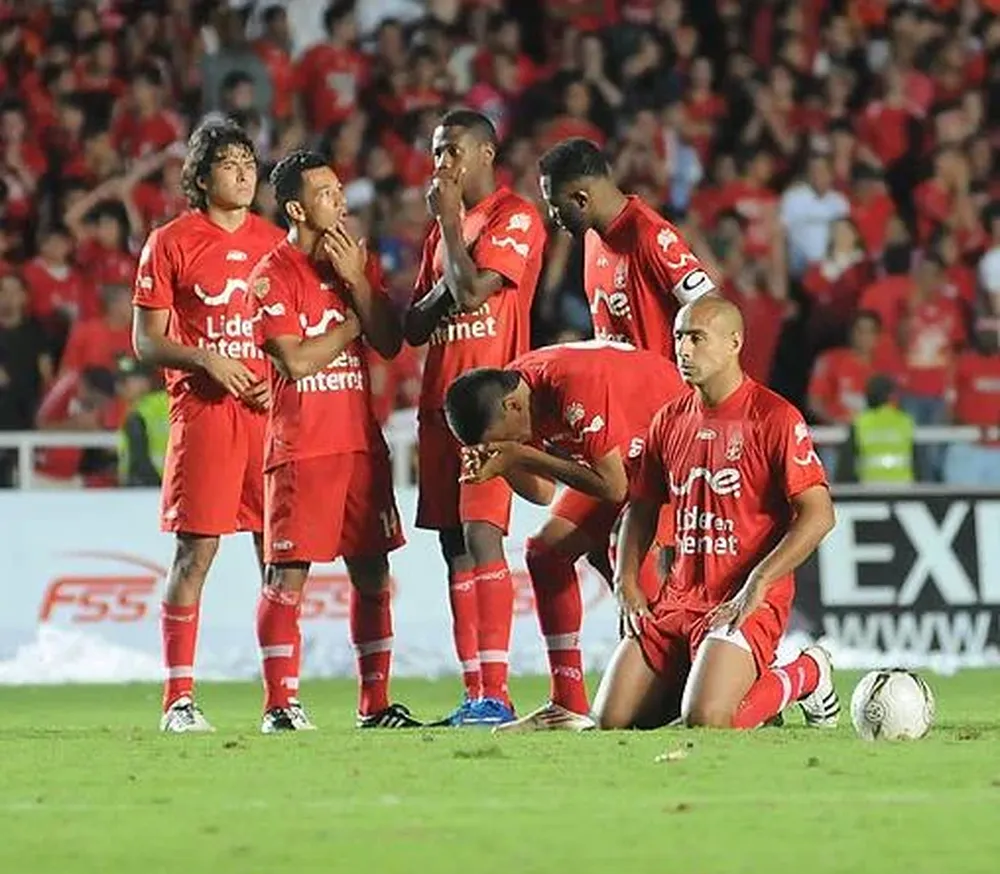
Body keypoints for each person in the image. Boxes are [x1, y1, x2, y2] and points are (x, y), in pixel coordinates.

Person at [593, 296, 841, 731]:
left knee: (708, 720)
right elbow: (643, 506)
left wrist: (759, 581)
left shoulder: (774, 417)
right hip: (676, 601)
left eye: (697, 338)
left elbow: (819, 515)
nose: (683, 350)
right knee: (611, 721)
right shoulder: (668, 420)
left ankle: (806, 673)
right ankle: (722, 684)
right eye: (679, 338)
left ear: (734, 343)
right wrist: (625, 579)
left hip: (743, 600)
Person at [249, 150, 418, 731]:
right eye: (325, 194)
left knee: (373, 576)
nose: (340, 201)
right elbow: (296, 362)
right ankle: (280, 706)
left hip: (360, 447)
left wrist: (358, 283)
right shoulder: (272, 274)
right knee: (286, 578)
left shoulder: (355, 262)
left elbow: (390, 342)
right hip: (303, 449)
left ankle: (375, 705)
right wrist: (350, 324)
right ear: (297, 209)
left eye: (340, 190)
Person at [131, 119, 286, 733]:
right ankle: (179, 700)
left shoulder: (276, 242)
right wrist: (207, 359)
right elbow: (146, 341)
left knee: (278, 555)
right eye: (229, 163)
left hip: (267, 418)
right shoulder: (170, 242)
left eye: (249, 162)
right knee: (196, 552)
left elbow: (292, 329)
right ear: (200, 177)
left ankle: (282, 701)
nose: (244, 173)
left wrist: (278, 375)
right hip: (203, 416)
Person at [445, 340, 687, 731]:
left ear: (512, 407)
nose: (508, 445)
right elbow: (542, 491)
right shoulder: (517, 394)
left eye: (501, 439)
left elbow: (613, 488)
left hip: (677, 451)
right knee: (545, 553)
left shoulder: (571, 385)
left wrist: (520, 455)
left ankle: (679, 685)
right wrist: (502, 464)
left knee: (627, 558)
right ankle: (567, 703)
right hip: (628, 461)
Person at [404, 109, 546, 726]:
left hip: (489, 409)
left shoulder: (515, 216)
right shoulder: (443, 235)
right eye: (437, 152)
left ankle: (498, 692)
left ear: (487, 152)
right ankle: (476, 693)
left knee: (482, 535)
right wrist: (446, 255)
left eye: (453, 151)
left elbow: (468, 293)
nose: (442, 164)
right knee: (452, 547)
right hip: (440, 406)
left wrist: (447, 225)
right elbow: (414, 325)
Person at [538, 137, 716, 357]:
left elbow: (710, 310)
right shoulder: (592, 238)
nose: (552, 215)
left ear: (581, 199)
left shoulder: (650, 235)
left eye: (556, 206)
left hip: (657, 379)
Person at [839, 374, 915, 484]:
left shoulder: (860, 423)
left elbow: (846, 465)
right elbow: (919, 462)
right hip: (903, 486)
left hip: (869, 486)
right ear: (891, 396)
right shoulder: (905, 421)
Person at [117, 357, 169, 487]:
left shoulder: (140, 413)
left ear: (145, 382)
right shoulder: (131, 410)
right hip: (171, 485)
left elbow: (139, 461)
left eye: (125, 381)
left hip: (150, 486)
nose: (120, 386)